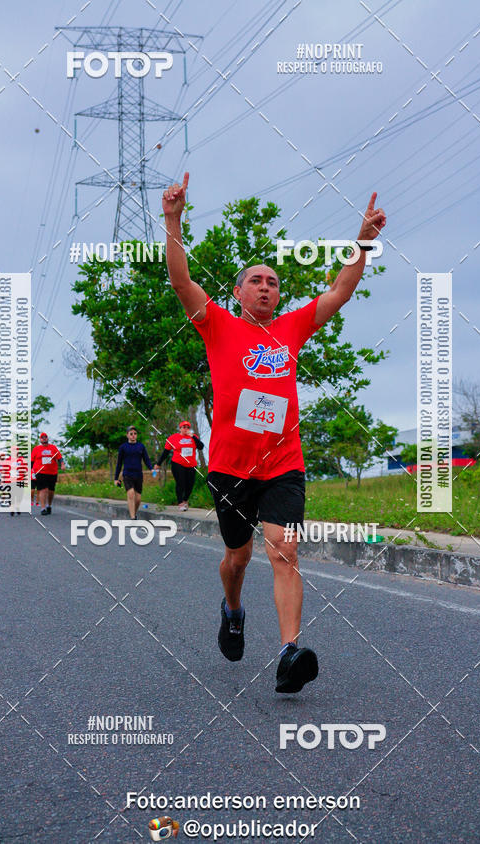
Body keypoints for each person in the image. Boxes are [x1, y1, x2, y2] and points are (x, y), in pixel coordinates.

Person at [163, 172, 385, 693]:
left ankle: (288, 651)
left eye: (274, 282)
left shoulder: (292, 328)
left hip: (284, 462)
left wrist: (361, 246)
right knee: (236, 559)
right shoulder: (217, 324)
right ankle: (233, 609)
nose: (267, 287)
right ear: (238, 292)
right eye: (256, 281)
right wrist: (173, 219)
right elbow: (180, 281)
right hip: (229, 466)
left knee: (284, 550)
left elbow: (339, 290)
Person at [154, 420, 204, 510]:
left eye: (188, 427)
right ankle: (180, 503)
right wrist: (158, 464)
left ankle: (185, 500)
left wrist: (193, 436)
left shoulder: (194, 437)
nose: (186, 429)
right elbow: (166, 452)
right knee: (181, 482)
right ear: (180, 428)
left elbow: (201, 446)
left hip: (191, 464)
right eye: (184, 427)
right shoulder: (173, 438)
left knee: (190, 485)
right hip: (178, 463)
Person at [114, 426, 153, 519]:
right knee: (131, 494)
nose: (133, 436)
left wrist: (151, 468)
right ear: (127, 435)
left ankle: (134, 514)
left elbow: (146, 459)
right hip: (127, 474)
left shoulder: (141, 446)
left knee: (138, 499)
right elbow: (119, 463)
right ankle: (132, 517)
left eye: (135, 434)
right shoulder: (123, 447)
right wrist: (116, 478)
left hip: (138, 474)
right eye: (131, 434)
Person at [31, 432, 63, 516]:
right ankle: (43, 508)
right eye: (42, 438)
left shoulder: (53, 448)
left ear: (47, 438)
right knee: (43, 489)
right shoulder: (36, 449)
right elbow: (31, 461)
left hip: (52, 472)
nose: (44, 439)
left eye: (45, 437)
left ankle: (49, 505)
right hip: (40, 472)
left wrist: (62, 464)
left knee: (51, 490)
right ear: (40, 440)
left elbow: (59, 457)